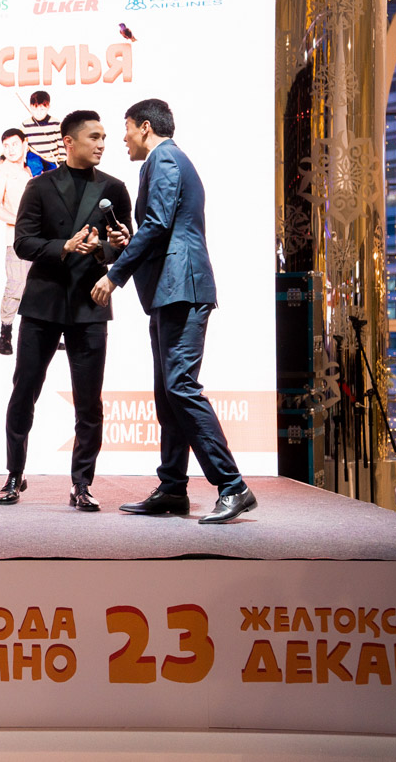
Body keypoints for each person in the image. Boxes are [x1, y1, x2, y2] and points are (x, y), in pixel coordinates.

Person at [92, 98, 257, 524]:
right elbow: (161, 227)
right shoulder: (167, 160)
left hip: (182, 287)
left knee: (180, 386)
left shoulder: (164, 159)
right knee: (169, 393)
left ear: (145, 127)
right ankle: (171, 489)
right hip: (171, 289)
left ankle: (233, 486)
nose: (123, 138)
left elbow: (159, 224)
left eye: (126, 128)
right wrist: (129, 242)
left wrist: (115, 275)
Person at [0, 110, 132, 512]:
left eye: (104, 137)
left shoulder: (114, 188)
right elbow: (23, 242)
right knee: (24, 391)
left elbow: (124, 244)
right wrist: (64, 246)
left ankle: (82, 484)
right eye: (94, 137)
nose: (102, 144)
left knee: (89, 401)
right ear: (69, 142)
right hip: (43, 303)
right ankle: (14, 473)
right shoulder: (39, 186)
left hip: (90, 304)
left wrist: (107, 247)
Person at [0, 128, 37, 356]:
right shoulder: (1, 171)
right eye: (6, 145)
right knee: (16, 284)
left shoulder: (30, 168)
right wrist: (22, 222)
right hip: (17, 238)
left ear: (25, 144)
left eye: (14, 144)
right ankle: (5, 333)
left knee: (41, 284)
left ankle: (45, 333)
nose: (10, 149)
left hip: (41, 236)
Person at [22, 91, 65, 165]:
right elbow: (20, 143)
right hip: (36, 159)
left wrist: (62, 161)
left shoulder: (55, 123)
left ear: (48, 107)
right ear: (30, 107)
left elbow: (61, 144)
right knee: (32, 161)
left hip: (52, 160)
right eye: (35, 109)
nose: (39, 112)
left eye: (42, 109)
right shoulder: (25, 125)